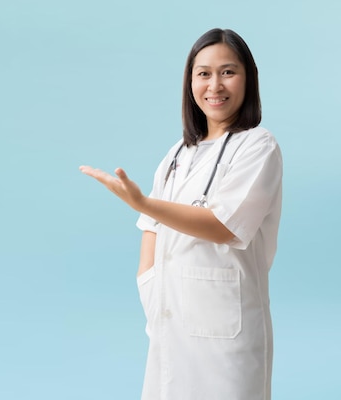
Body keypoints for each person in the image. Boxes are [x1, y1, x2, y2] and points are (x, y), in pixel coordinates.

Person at [79, 28, 282, 400]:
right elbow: (152, 228)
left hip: (226, 332)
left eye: (228, 72)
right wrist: (149, 286)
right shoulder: (177, 154)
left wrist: (142, 203)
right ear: (190, 81)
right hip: (169, 323)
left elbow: (224, 226)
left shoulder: (258, 145)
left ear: (248, 79)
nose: (215, 85)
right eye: (203, 73)